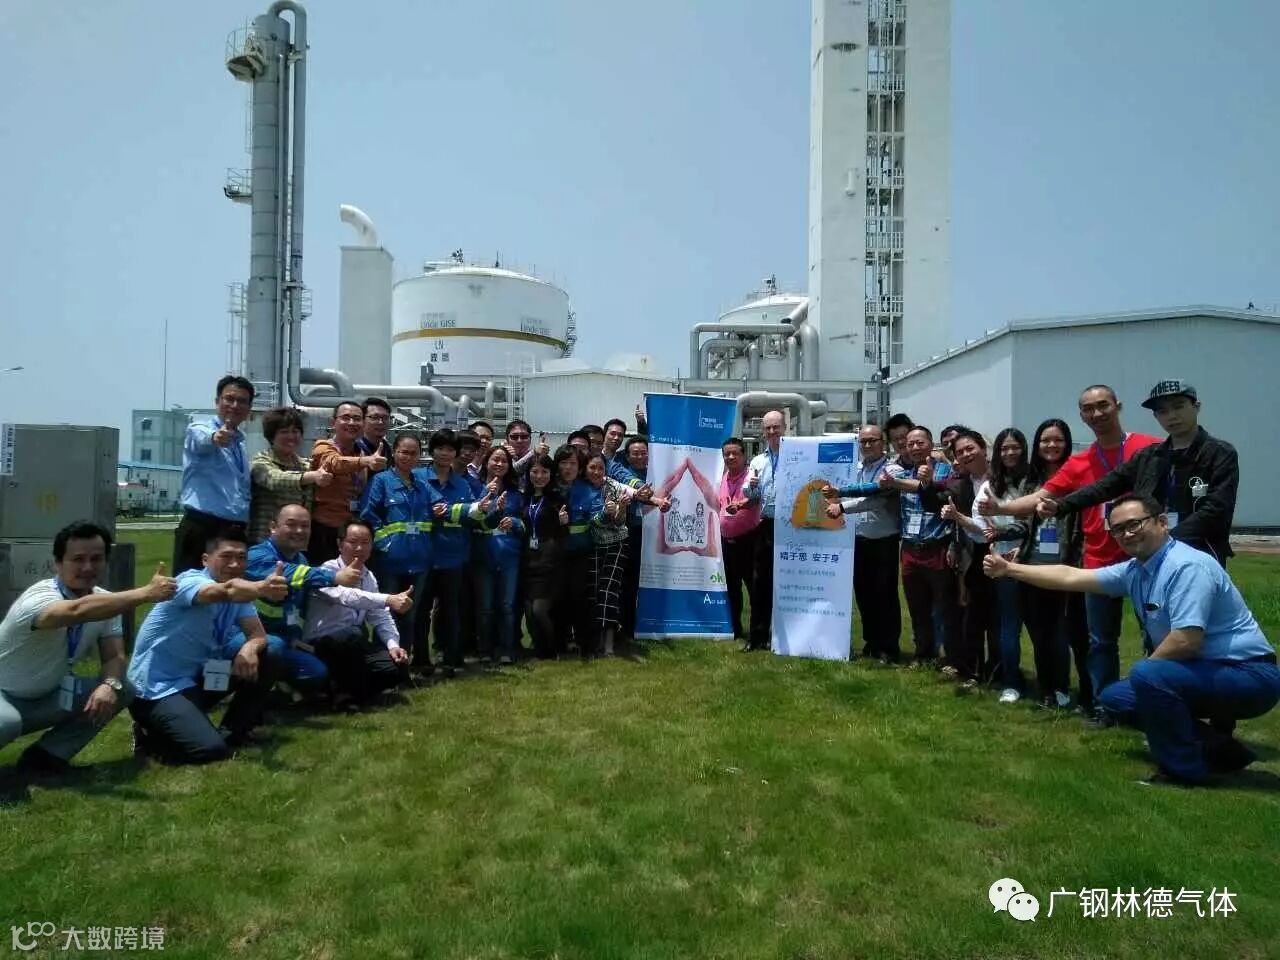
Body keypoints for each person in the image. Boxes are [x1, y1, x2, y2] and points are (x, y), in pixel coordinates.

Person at [984, 494, 1280, 786]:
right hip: (1201, 670)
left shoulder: (1186, 566)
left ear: (1162, 522)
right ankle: (1220, 751)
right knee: (1115, 698)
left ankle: (1183, 771)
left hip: (1250, 675)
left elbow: (1186, 640)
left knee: (1147, 677)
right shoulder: (1136, 570)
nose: (1126, 534)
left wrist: (1145, 676)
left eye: (1134, 524)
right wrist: (1009, 569)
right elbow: (1072, 577)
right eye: (1117, 529)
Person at [982, 385, 1160, 713]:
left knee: (1157, 636)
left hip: (1149, 558)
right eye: (1088, 409)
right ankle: (1105, 706)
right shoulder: (1079, 463)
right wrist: (1000, 509)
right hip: (1099, 559)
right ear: (1081, 415)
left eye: (1103, 405)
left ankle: (1159, 704)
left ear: (1118, 406)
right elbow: (1041, 497)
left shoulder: (1148, 447)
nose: (1096, 413)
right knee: (1099, 641)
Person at [1, 522, 175, 776]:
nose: (87, 567)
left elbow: (114, 656)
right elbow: (75, 611)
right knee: (7, 722)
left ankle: (45, 759)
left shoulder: (106, 602)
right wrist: (145, 593)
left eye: (96, 559)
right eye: (78, 559)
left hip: (48, 696)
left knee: (122, 688)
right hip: (4, 696)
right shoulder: (39, 597)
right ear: (57, 564)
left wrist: (109, 685)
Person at [127, 533, 288, 763]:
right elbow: (224, 591)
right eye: (226, 557)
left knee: (270, 651)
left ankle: (233, 732)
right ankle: (148, 732)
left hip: (197, 676)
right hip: (158, 687)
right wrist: (261, 587)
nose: (235, 564)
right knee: (209, 750)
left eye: (241, 558)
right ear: (205, 559)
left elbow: (257, 634)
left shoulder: (241, 595)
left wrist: (249, 649)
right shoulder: (188, 582)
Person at [1042, 380, 1238, 568]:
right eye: (1162, 411)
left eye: (1178, 407)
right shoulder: (1149, 456)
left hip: (1199, 556)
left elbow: (1216, 510)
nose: (1172, 416)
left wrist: (1165, 541)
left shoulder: (1219, 453)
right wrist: (1061, 505)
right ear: (1156, 416)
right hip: (1151, 557)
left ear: (1196, 407)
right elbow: (1105, 486)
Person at [1002, 419, 1091, 711]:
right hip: (1034, 567)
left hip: (1067, 567)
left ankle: (1070, 688)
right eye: (1045, 440)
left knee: (1067, 633)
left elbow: (1082, 526)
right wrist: (1000, 534)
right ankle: (1047, 689)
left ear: (1067, 443)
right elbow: (1023, 525)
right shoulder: (1031, 481)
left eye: (1058, 440)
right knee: (1040, 633)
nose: (1051, 445)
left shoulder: (1078, 477)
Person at [241, 504, 363, 693]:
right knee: (274, 648)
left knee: (316, 672)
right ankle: (249, 694)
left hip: (286, 639)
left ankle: (279, 689)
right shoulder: (256, 555)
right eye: (291, 524)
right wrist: (335, 576)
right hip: (246, 636)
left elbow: (298, 606)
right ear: (273, 527)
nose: (299, 531)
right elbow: (292, 574)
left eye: (305, 526)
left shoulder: (301, 559)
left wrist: (296, 638)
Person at [303, 521, 412, 707]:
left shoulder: (368, 577)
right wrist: (388, 599)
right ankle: (347, 693)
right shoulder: (326, 571)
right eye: (353, 542)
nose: (359, 548)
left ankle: (344, 692)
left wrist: (393, 646)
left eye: (365, 542)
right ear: (339, 544)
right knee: (352, 635)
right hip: (322, 643)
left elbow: (380, 616)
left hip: (353, 645)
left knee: (396, 666)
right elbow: (349, 597)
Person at [881, 426, 958, 666]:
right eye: (910, 444)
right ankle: (923, 654)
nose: (915, 448)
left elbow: (941, 488)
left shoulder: (946, 471)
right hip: (910, 549)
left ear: (931, 444)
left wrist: (915, 481)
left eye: (920, 443)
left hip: (938, 547)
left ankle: (952, 658)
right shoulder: (904, 474)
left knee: (946, 607)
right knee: (917, 606)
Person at [824, 424, 901, 663]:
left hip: (883, 540)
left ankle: (888, 647)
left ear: (883, 443)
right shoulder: (855, 469)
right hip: (858, 540)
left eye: (872, 440)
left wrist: (841, 506)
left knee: (884, 594)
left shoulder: (892, 470)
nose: (867, 445)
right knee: (864, 593)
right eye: (863, 441)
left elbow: (874, 500)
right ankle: (871, 642)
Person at [361, 433, 436, 674]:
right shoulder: (381, 481)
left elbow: (441, 508)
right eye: (404, 452)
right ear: (394, 453)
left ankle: (403, 668)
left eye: (414, 453)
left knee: (410, 616)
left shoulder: (422, 486)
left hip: (419, 561)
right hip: (390, 562)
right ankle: (382, 668)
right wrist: (385, 542)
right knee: (387, 616)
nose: (408, 457)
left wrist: (475, 509)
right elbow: (368, 514)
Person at [415, 428, 482, 677]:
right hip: (421, 555)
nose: (445, 453)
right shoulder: (417, 478)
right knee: (420, 610)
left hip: (453, 555)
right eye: (440, 448)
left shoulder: (463, 484)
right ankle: (421, 659)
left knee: (451, 610)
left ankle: (451, 659)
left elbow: (473, 515)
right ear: (431, 450)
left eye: (450, 449)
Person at [974, 428, 1034, 701]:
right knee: (1009, 626)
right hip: (1004, 562)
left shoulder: (1035, 481)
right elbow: (979, 518)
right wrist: (993, 537)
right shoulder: (990, 485)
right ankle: (1011, 682)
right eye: (1004, 448)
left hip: (1037, 560)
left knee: (1044, 627)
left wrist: (1009, 536)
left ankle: (1052, 684)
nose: (1010, 453)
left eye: (1015, 447)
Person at [173, 375, 254, 573]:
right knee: (191, 585)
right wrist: (215, 437)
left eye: (242, 401)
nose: (235, 405)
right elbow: (203, 438)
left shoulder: (240, 444)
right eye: (229, 399)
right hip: (203, 526)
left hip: (233, 530)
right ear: (217, 401)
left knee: (228, 586)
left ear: (249, 408)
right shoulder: (198, 429)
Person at [939, 429, 994, 684]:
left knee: (1000, 620)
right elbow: (958, 525)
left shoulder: (1001, 478)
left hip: (1003, 553)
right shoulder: (961, 484)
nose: (965, 454)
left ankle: (1001, 672)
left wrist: (957, 518)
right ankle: (974, 671)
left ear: (983, 447)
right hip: (973, 555)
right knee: (973, 617)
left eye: (970, 448)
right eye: (960, 452)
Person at [309, 402, 387, 564]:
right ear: (333, 423)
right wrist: (366, 461)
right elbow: (334, 463)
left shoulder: (361, 452)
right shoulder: (323, 446)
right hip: (325, 531)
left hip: (351, 532)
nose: (352, 423)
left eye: (357, 419)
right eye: (346, 418)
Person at [249, 406, 333, 544]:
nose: (291, 436)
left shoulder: (307, 465)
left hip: (298, 543)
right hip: (266, 541)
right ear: (271, 436)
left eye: (295, 431)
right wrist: (311, 477)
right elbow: (275, 479)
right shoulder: (260, 461)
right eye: (284, 432)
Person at [474, 446, 525, 664]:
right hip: (483, 555)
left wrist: (514, 522)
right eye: (495, 459)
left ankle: (507, 648)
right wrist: (485, 495)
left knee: (507, 606)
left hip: (509, 556)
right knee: (485, 607)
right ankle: (485, 649)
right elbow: (471, 518)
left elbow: (524, 525)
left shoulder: (516, 494)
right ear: (486, 462)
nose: (499, 464)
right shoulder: (476, 488)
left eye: (504, 461)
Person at [742, 410, 785, 651]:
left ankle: (783, 636)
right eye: (768, 428)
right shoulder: (758, 461)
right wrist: (750, 486)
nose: (771, 432)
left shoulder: (797, 456)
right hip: (766, 525)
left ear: (785, 428)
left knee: (788, 581)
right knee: (761, 582)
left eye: (775, 427)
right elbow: (751, 494)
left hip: (792, 525)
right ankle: (757, 636)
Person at [521, 453, 568, 659]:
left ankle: (552, 650)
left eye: (544, 472)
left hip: (549, 561)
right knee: (529, 610)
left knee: (540, 610)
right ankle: (538, 649)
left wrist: (563, 522)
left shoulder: (558, 499)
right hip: (527, 559)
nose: (539, 476)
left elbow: (563, 533)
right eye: (535, 471)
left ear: (551, 474)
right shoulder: (524, 498)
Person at [585, 452, 630, 656]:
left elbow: (620, 521)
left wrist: (621, 508)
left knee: (609, 592)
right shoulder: (581, 487)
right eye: (592, 468)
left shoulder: (614, 487)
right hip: (592, 545)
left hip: (616, 544)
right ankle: (596, 642)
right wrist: (603, 513)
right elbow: (591, 520)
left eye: (600, 468)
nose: (596, 472)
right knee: (593, 592)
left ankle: (609, 646)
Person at [554, 444, 596, 654]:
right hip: (555, 553)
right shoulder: (550, 489)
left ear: (580, 468)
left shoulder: (587, 490)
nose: (568, 468)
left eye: (573, 463)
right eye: (564, 463)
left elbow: (596, 515)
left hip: (581, 553)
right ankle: (560, 641)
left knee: (579, 597)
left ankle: (583, 642)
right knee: (558, 598)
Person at [719, 437, 761, 645]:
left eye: (735, 453)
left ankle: (758, 633)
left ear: (744, 455)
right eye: (727, 454)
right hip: (727, 542)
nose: (731, 457)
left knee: (754, 588)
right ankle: (735, 628)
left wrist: (740, 505)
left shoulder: (751, 476)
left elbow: (755, 498)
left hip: (749, 541)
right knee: (732, 589)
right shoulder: (723, 477)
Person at [355, 398, 393, 474]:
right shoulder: (353, 448)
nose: (380, 422)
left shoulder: (387, 448)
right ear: (362, 420)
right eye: (375, 417)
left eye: (385, 418)